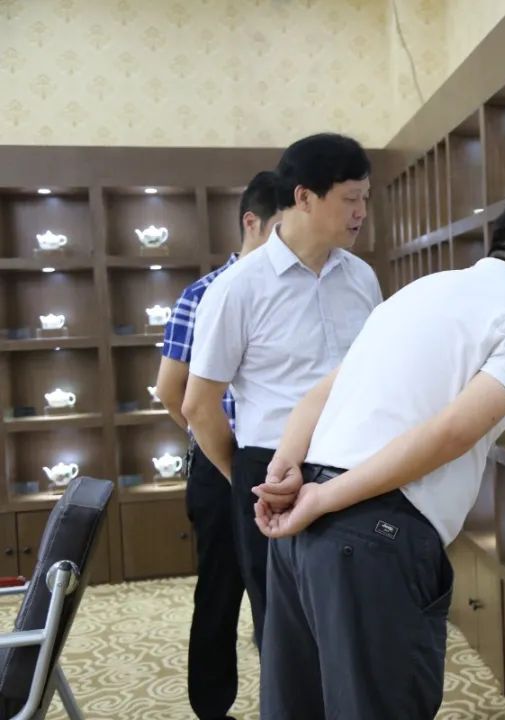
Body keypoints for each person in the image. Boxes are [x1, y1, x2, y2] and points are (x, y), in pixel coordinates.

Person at [251, 192, 505, 720]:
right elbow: (452, 431)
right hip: (369, 533)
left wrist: (287, 468)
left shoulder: (419, 291)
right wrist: (324, 498)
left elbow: (319, 395)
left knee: (299, 707)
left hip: (301, 529)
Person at [182, 133, 383, 653]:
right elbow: (198, 405)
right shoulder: (238, 288)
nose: (361, 212)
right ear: (304, 197)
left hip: (356, 467)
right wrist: (245, 479)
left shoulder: (362, 278)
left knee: (357, 627)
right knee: (286, 636)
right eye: (350, 198)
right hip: (271, 473)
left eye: (365, 198)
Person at [155, 170, 279, 720]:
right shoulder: (204, 292)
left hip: (282, 464)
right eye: (280, 229)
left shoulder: (291, 290)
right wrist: (227, 461)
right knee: (220, 591)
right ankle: (211, 708)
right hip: (220, 460)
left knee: (281, 596)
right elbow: (171, 391)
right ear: (252, 223)